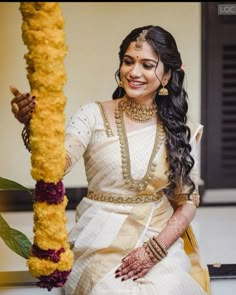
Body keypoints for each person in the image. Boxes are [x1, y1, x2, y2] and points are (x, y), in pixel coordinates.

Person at [10, 25, 211, 295]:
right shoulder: (92, 115)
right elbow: (56, 166)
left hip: (158, 239)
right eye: (128, 62)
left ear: (166, 75)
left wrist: (155, 250)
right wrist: (34, 126)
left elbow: (187, 201)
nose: (134, 72)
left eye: (147, 65)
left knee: (173, 289)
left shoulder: (182, 129)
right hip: (98, 240)